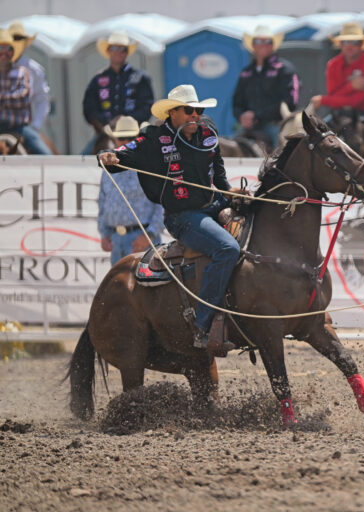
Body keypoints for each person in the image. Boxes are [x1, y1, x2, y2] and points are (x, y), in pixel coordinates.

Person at [97, 84, 237, 352]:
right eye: (189, 110)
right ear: (173, 113)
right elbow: (123, 155)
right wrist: (110, 156)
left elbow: (217, 170)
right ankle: (203, 325)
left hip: (214, 204)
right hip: (183, 216)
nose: (196, 115)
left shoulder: (208, 132)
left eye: (199, 110)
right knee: (227, 248)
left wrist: (230, 191)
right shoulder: (153, 138)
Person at [97, 116, 164, 266]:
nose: (125, 142)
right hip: (116, 239)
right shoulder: (108, 169)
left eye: (130, 138)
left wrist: (149, 235)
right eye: (121, 138)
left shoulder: (149, 164)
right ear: (115, 140)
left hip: (142, 238)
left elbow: (162, 203)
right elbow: (102, 201)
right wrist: (104, 233)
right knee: (118, 288)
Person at [82, 31, 154, 155]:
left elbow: (147, 106)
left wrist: (126, 119)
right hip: (106, 131)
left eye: (123, 49)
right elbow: (89, 108)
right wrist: (105, 123)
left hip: (134, 132)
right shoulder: (98, 79)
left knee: (153, 156)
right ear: (108, 51)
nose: (119, 52)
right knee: (82, 160)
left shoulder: (140, 78)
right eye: (114, 48)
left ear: (127, 53)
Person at [310, 22, 364, 127]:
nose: (349, 45)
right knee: (315, 137)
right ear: (340, 44)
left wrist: (323, 100)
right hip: (341, 114)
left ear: (361, 44)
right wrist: (351, 86)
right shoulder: (333, 65)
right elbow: (333, 96)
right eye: (345, 42)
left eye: (354, 41)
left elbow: (356, 101)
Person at [233, 25, 299, 148]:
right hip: (248, 126)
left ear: (273, 44)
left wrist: (257, 115)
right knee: (229, 150)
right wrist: (241, 116)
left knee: (280, 155)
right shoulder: (246, 72)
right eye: (258, 41)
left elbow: (290, 101)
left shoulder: (284, 69)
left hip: (276, 125)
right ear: (253, 45)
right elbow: (237, 102)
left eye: (268, 41)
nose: (263, 44)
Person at [0, 28, 51, 155]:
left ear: (13, 52)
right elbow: (16, 98)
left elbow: (23, 98)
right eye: (1, 48)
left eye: (9, 49)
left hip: (18, 127)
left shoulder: (23, 72)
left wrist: (36, 125)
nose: (4, 53)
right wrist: (9, 98)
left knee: (45, 154)